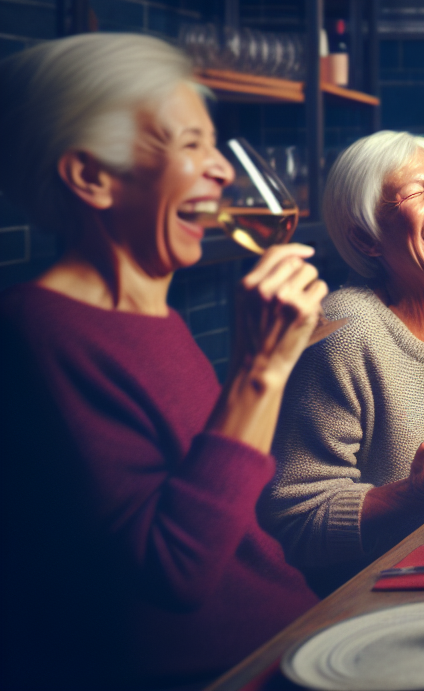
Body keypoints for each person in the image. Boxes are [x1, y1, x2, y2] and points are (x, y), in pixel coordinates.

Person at [0, 34, 321, 689]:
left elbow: (240, 528)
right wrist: (261, 370)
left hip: (296, 638)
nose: (223, 171)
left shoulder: (159, 318)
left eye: (214, 144)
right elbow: (177, 570)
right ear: (92, 177)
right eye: (188, 145)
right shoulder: (35, 332)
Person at [260, 132, 424, 591]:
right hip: (369, 591)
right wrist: (418, 493)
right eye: (415, 193)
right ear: (366, 238)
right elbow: (295, 520)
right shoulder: (343, 327)